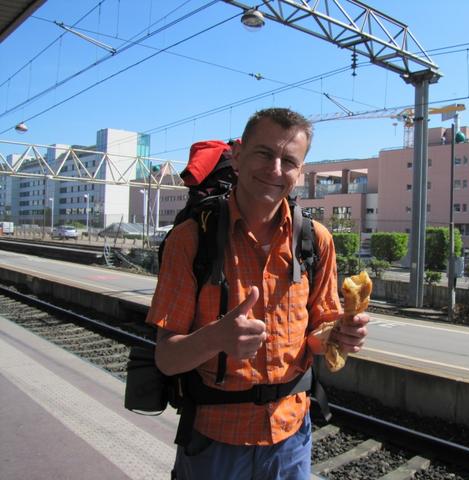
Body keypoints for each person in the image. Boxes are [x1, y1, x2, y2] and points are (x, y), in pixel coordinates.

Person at [146, 107, 370, 479]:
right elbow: (166, 359)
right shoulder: (191, 239)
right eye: (264, 154)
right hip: (215, 442)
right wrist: (216, 337)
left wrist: (338, 335)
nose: (276, 170)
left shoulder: (315, 241)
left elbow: (316, 336)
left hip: (291, 439)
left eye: (289, 161)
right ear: (237, 156)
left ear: (300, 172)